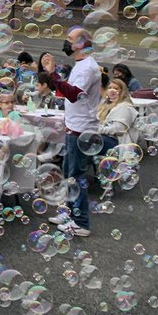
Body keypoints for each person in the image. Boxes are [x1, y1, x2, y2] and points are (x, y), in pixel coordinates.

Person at [48, 28, 103, 237]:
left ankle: (81, 223)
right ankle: (70, 214)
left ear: (80, 44)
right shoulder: (81, 64)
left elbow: (73, 94)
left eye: (69, 39)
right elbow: (68, 92)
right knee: (69, 173)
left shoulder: (88, 67)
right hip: (74, 126)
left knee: (77, 176)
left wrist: (53, 73)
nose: (65, 42)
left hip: (82, 130)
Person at [98, 79, 138, 147]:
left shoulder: (125, 107)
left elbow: (120, 129)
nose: (112, 90)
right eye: (110, 88)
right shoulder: (104, 105)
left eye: (116, 88)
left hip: (117, 142)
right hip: (103, 136)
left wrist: (100, 130)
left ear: (122, 92)